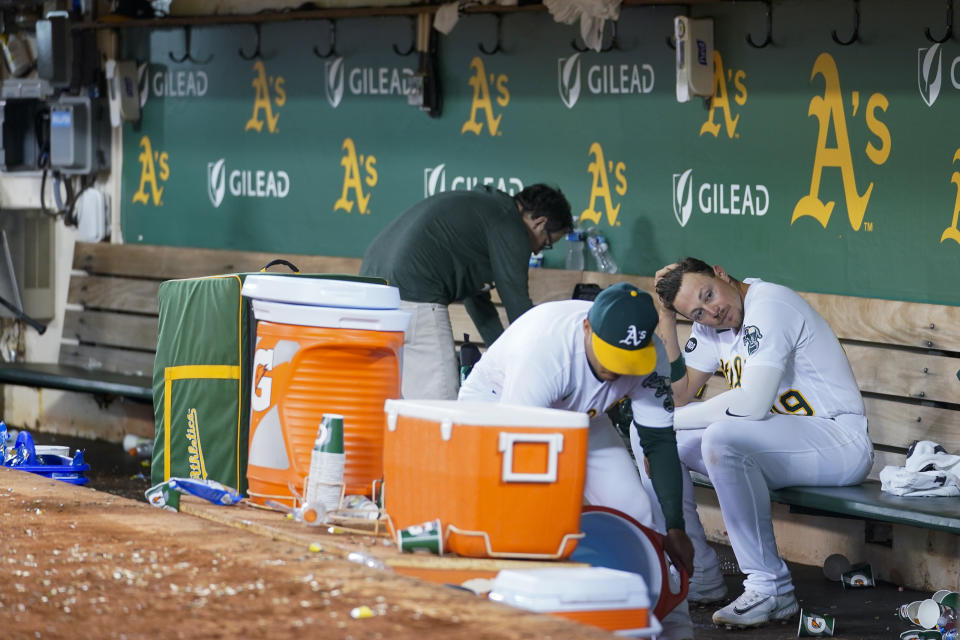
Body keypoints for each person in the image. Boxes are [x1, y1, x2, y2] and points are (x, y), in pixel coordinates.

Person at [459, 282, 696, 640]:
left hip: (582, 411)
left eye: (628, 362)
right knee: (521, 525)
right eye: (611, 359)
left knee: (637, 510)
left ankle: (660, 626)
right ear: (587, 327)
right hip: (498, 410)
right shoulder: (544, 352)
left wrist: (676, 526)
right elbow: (524, 458)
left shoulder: (652, 355)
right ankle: (515, 618)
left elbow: (659, 441)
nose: (618, 373)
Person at [652, 258, 872, 628]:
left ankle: (770, 589)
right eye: (698, 312)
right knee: (664, 448)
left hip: (840, 441)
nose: (712, 311)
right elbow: (678, 395)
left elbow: (751, 406)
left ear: (720, 272)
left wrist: (659, 424)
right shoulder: (711, 326)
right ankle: (700, 574)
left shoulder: (769, 304)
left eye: (709, 295)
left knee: (721, 438)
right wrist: (667, 318)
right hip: (785, 442)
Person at [359, 184, 573, 400]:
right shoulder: (509, 224)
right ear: (540, 222)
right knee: (440, 405)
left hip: (372, 295)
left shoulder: (487, 211)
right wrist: (540, 364)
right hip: (413, 293)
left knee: (395, 402)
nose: (536, 251)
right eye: (546, 243)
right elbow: (517, 306)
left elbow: (477, 300)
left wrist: (499, 354)